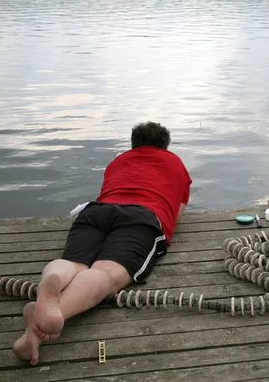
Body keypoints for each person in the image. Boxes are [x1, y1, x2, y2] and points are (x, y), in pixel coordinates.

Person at [12, 121, 192, 366]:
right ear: (166, 146)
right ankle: (42, 324)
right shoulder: (176, 163)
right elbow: (177, 215)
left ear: (133, 144)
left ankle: (53, 283)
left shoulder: (119, 161)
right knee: (105, 274)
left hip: (96, 211)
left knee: (74, 264)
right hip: (142, 215)